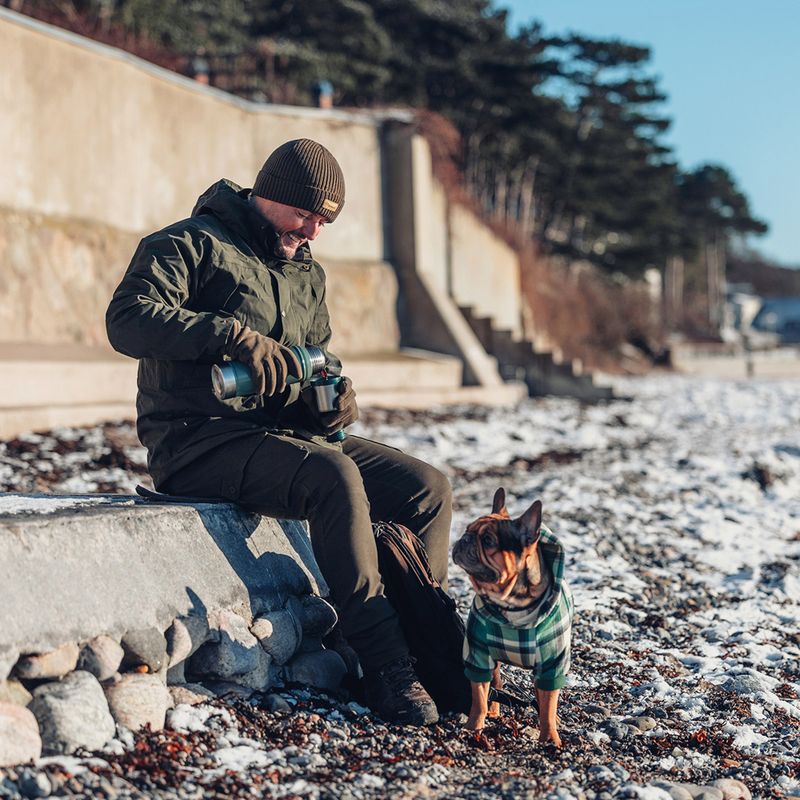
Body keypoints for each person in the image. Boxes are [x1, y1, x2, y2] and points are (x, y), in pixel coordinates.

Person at [106, 139, 452, 726]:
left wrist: (330, 403)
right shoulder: (189, 244)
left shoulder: (304, 272)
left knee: (425, 486)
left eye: (325, 221)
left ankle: (422, 643)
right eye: (307, 214)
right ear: (273, 195)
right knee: (333, 475)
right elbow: (126, 320)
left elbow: (315, 360)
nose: (313, 231)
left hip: (282, 437)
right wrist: (227, 335)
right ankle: (387, 666)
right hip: (198, 440)